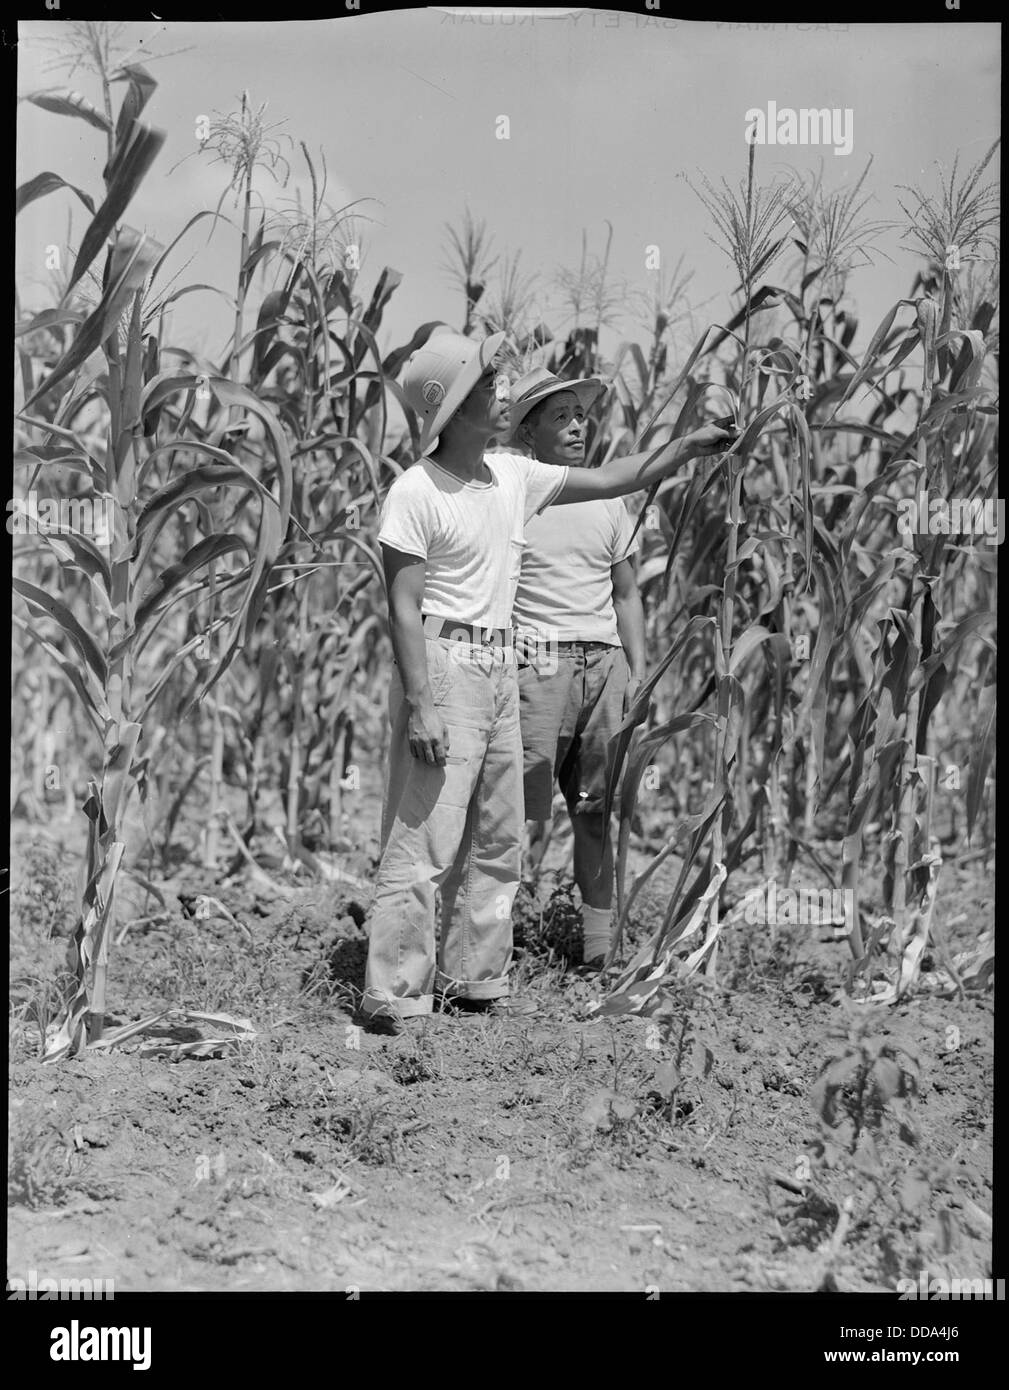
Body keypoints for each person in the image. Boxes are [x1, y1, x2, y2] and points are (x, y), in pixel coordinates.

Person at [361, 330, 733, 1032]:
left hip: (503, 663)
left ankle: (474, 980)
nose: (497, 394)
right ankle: (394, 995)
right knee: (425, 840)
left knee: (501, 838)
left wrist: (686, 447)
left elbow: (615, 478)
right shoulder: (416, 491)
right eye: (481, 388)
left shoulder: (510, 475)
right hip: (445, 668)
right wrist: (420, 706)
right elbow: (403, 608)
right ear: (450, 409)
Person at [507, 368, 645, 968]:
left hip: (604, 665)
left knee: (595, 809)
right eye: (560, 416)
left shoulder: (611, 499)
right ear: (529, 433)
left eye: (580, 415)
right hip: (536, 664)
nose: (576, 425)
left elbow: (627, 594)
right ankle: (490, 952)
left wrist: (636, 670)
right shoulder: (511, 496)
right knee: (511, 814)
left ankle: (596, 954)